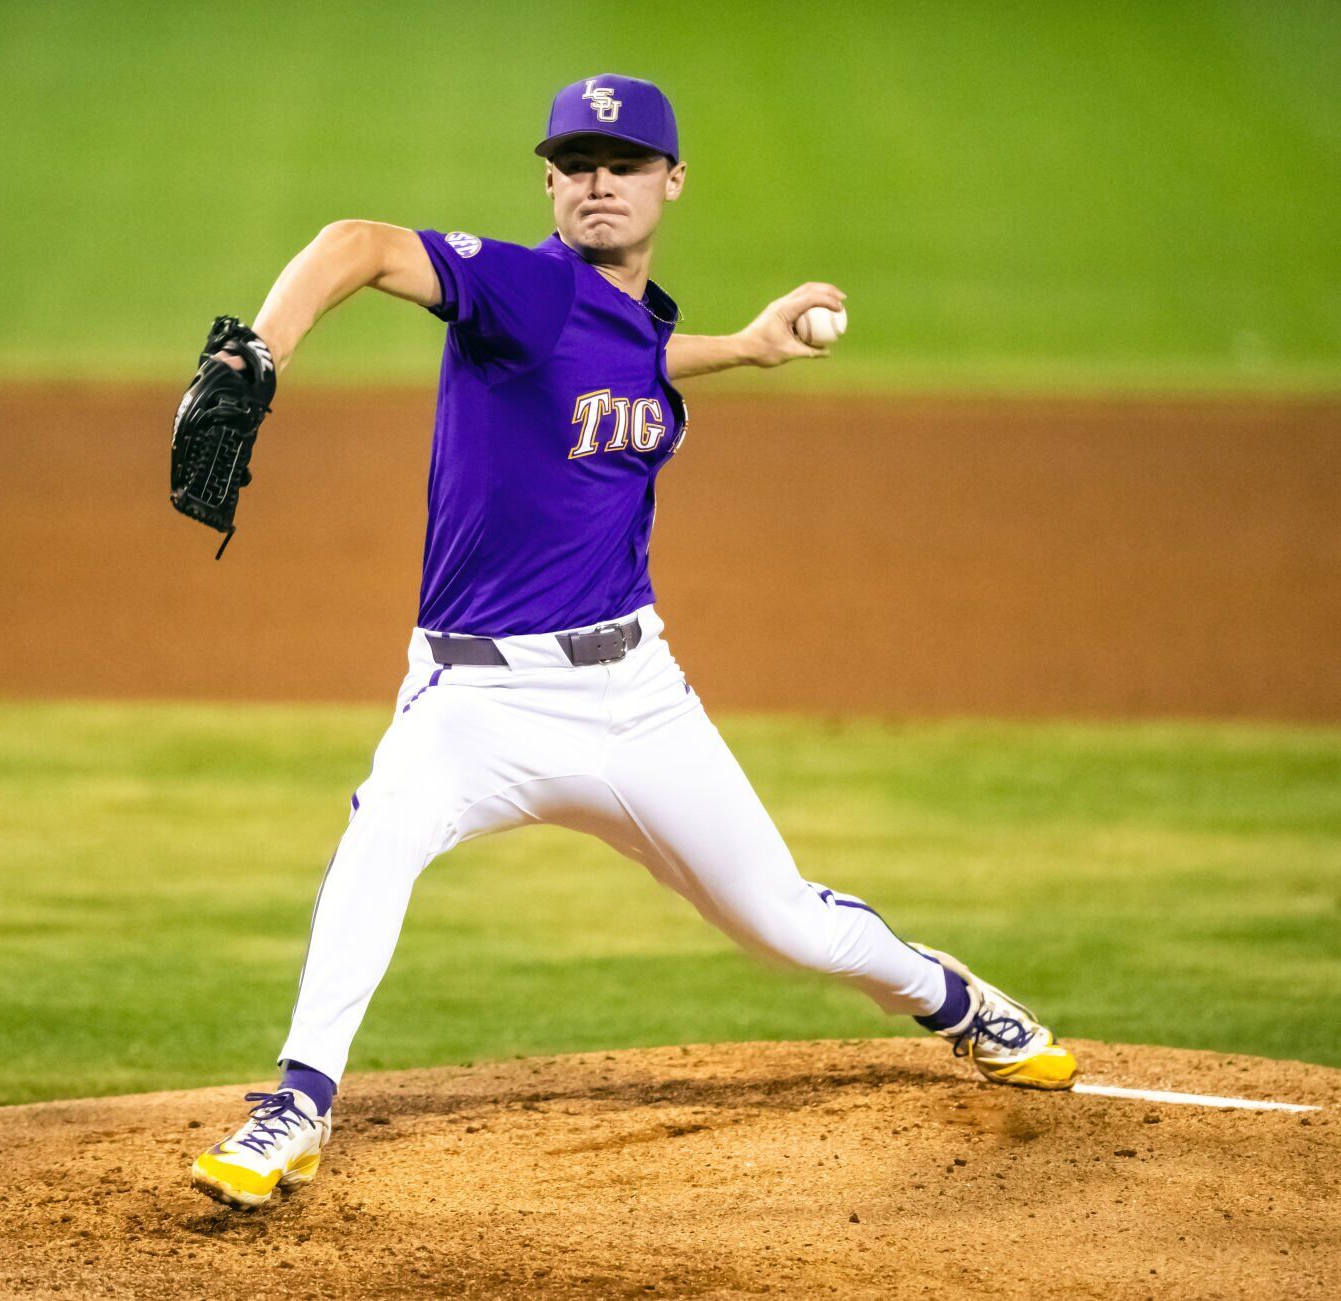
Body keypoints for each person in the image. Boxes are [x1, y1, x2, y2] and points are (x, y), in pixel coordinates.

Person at [190, 74, 1075, 1211]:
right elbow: (353, 242)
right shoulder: (518, 289)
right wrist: (255, 352)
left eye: (621, 160)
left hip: (637, 699)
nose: (597, 180)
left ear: (669, 180)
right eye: (574, 162)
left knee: (784, 924)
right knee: (379, 841)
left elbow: (627, 361)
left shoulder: (636, 324)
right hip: (473, 704)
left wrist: (744, 348)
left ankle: (954, 1000)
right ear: (549, 184)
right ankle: (296, 1104)